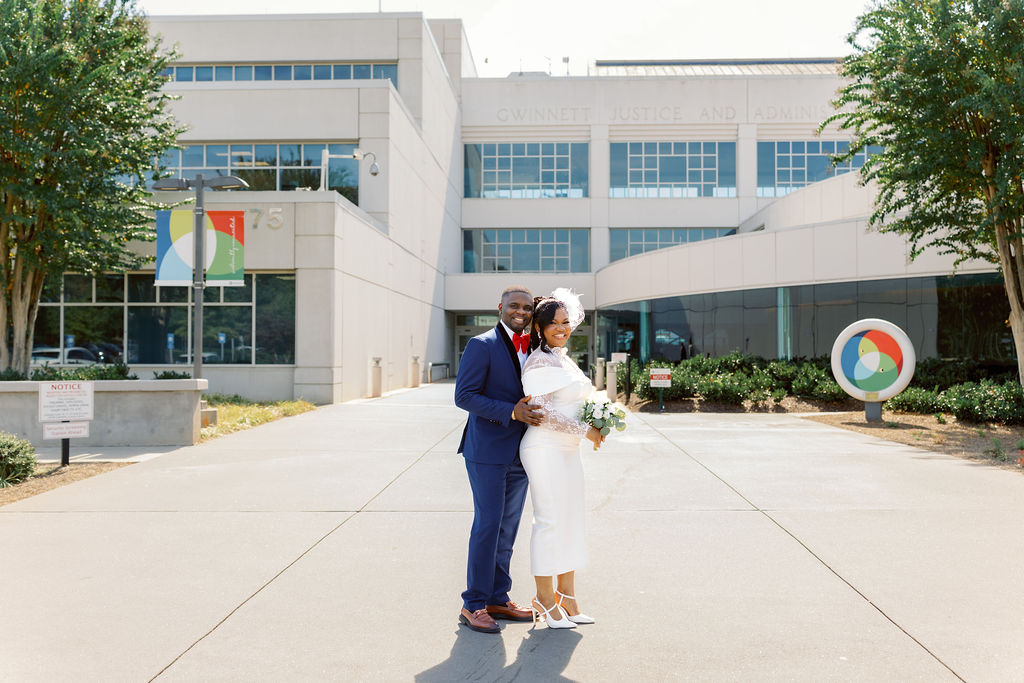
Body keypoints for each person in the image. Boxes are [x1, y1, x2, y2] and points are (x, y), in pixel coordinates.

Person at [454, 285, 546, 634]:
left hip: (522, 453)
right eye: (513, 306)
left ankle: (497, 596)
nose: (520, 312)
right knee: (488, 525)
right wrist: (511, 411)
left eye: (526, 307)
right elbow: (464, 396)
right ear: (500, 308)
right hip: (487, 452)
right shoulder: (481, 345)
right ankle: (473, 604)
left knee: (507, 529)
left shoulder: (534, 348)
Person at [519, 289, 604, 629]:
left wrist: (600, 421)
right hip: (544, 449)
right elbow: (541, 411)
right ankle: (544, 598)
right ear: (539, 328)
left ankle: (567, 597)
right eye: (553, 323)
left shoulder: (562, 357)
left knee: (570, 520)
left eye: (566, 322)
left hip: (566, 450)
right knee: (550, 521)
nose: (561, 328)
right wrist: (586, 430)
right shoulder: (539, 360)